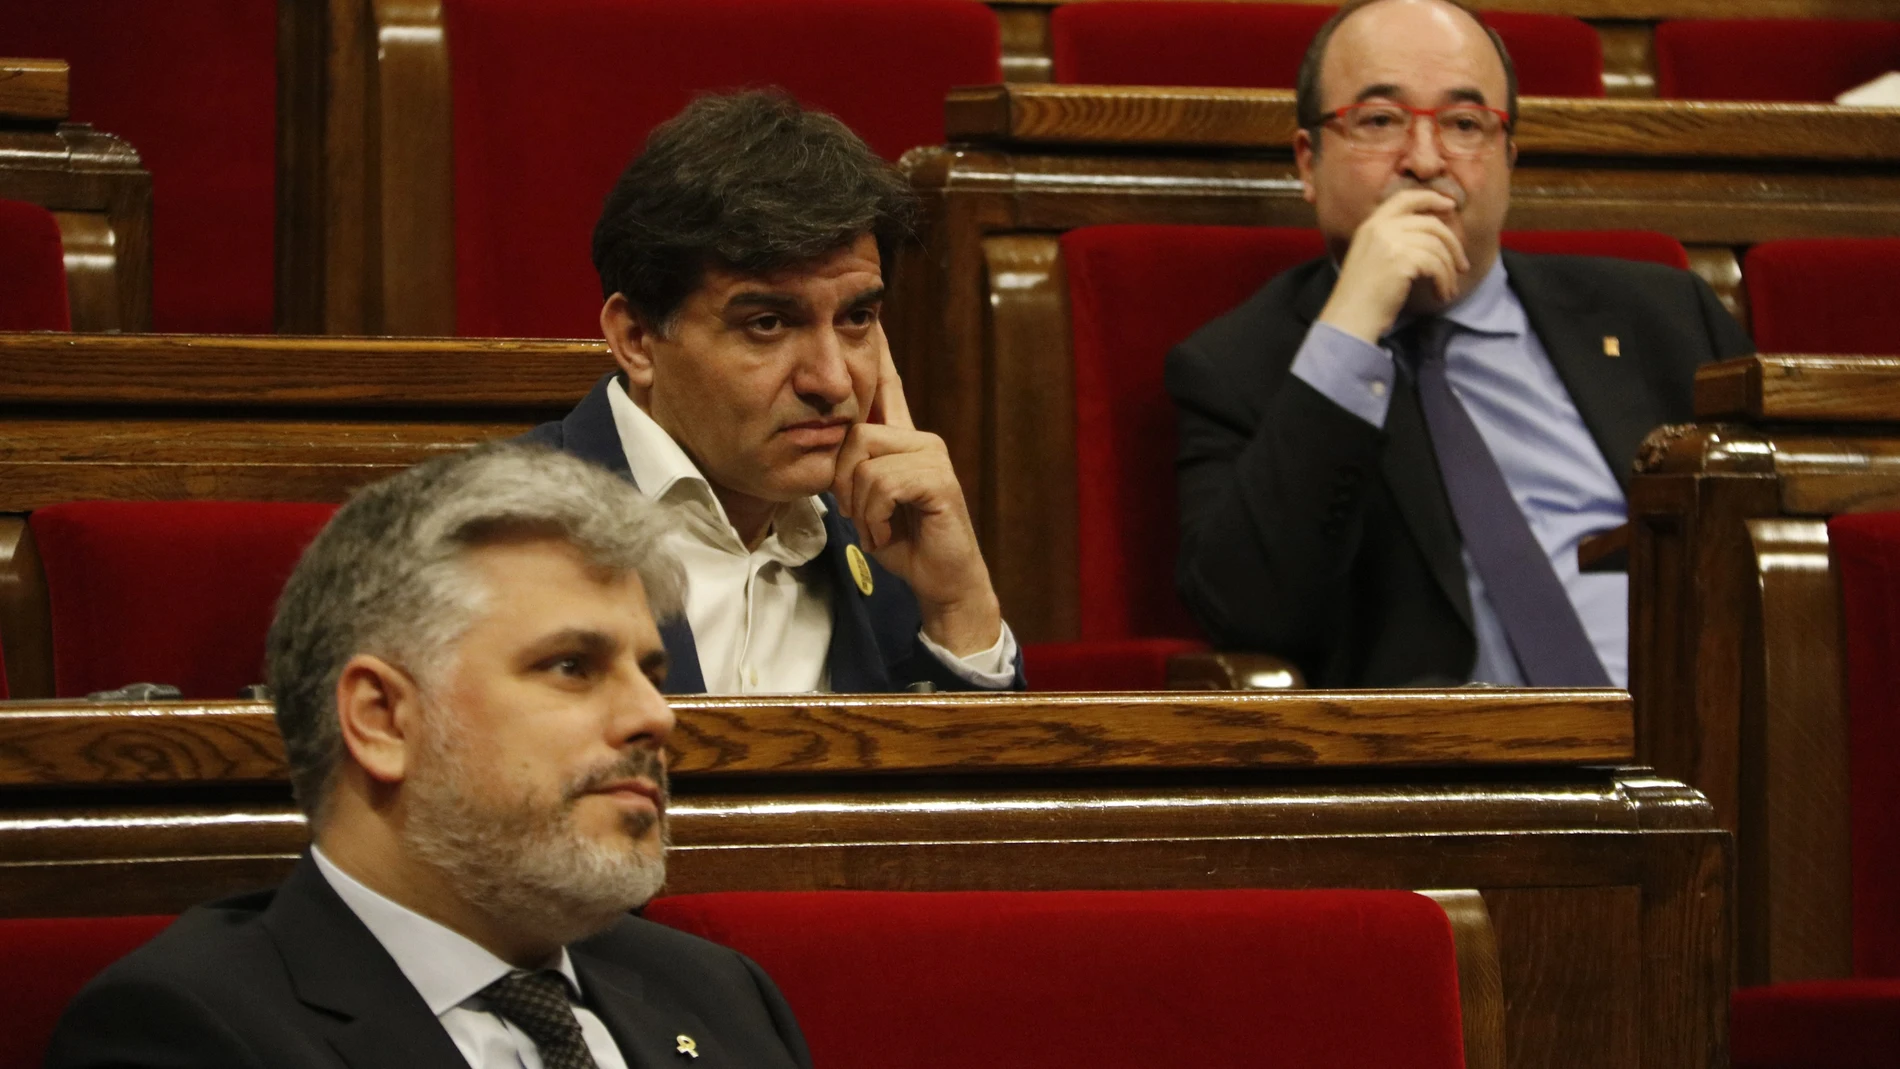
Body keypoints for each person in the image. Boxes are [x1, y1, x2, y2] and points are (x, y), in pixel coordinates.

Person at [48, 443, 813, 1069]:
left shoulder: (720, 995)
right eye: (573, 666)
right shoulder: (186, 1030)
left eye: (651, 673)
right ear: (382, 718)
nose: (656, 716)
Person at [1168, 0, 1752, 689]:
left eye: (1464, 124)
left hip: (1706, 737)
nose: (1423, 160)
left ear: (1508, 158)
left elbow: (1784, 544)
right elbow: (1252, 617)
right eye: (1379, 121)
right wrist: (1352, 326)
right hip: (1459, 774)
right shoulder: (1237, 368)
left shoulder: (1663, 316)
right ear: (1308, 162)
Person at [529, 91, 1021, 695]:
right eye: (768, 323)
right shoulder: (501, 539)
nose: (833, 382)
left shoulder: (892, 543)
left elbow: (977, 786)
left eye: (857, 318)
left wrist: (958, 604)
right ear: (636, 338)